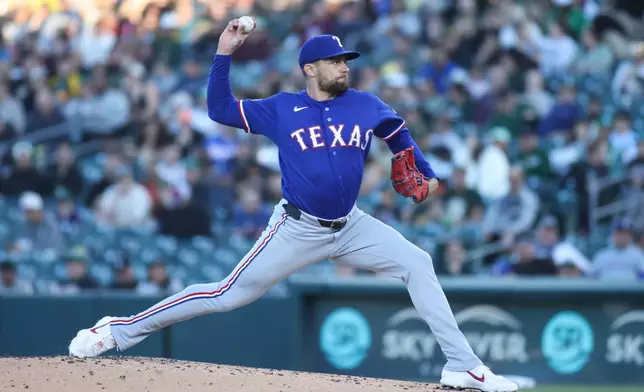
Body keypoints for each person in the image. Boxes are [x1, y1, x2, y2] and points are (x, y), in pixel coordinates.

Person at [68, 18, 517, 392]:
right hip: (297, 228)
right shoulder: (282, 109)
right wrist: (224, 52)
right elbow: (219, 109)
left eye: (345, 60)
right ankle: (117, 330)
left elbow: (397, 132)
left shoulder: (365, 104)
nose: (344, 67)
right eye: (335, 61)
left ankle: (462, 365)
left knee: (418, 263)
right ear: (309, 69)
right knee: (227, 294)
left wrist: (422, 167)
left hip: (352, 226)